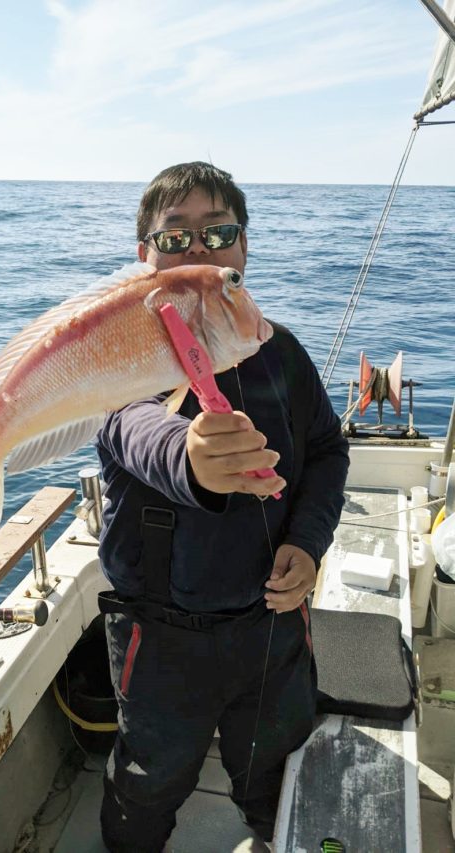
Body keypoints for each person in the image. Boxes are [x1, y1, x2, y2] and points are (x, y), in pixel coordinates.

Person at [95, 161, 349, 852]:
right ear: (144, 257)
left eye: (218, 233)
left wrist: (308, 542)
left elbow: (327, 450)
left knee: (277, 776)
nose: (198, 253)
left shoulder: (281, 351)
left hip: (272, 627)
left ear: (243, 248)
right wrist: (193, 458)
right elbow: (132, 428)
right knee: (147, 783)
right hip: (160, 639)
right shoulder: (122, 357)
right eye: (174, 238)